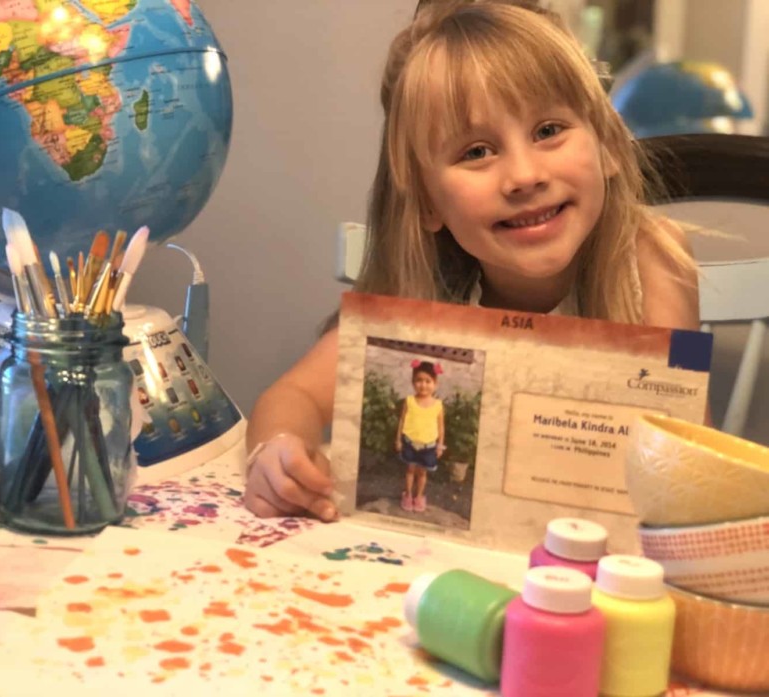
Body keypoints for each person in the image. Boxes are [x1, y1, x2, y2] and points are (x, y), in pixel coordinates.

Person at [242, 0, 700, 522]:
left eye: (549, 130)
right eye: (477, 152)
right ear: (429, 202)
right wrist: (277, 452)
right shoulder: (420, 293)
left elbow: (687, 437)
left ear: (609, 147)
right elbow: (292, 394)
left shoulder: (655, 259)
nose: (524, 175)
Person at [395, 360, 446, 513]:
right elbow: (402, 420)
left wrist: (440, 445)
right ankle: (408, 495)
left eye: (428, 381)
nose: (423, 385)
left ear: (435, 384)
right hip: (410, 443)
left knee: (422, 472)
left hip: (428, 446)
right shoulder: (409, 401)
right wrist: (398, 439)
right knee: (410, 470)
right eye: (419, 380)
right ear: (413, 382)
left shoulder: (437, 405)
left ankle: (419, 496)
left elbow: (441, 427)